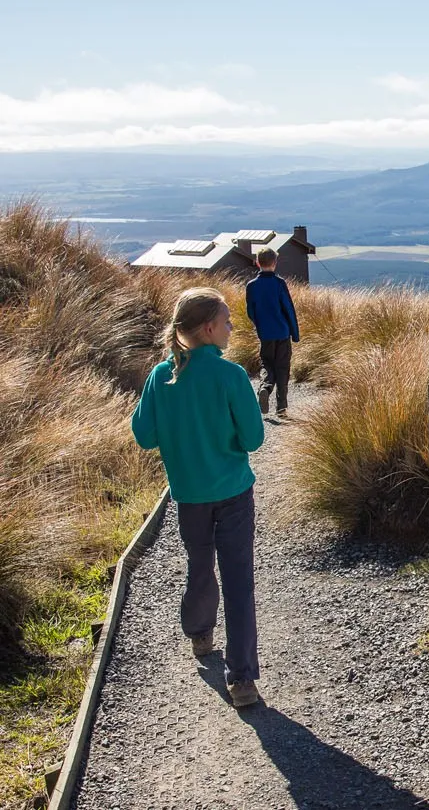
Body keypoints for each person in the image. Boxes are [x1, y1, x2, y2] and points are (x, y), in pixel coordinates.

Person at [131, 287, 265, 708]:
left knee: (199, 564)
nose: (231, 327)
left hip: (188, 496)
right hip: (232, 492)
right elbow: (255, 438)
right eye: (227, 321)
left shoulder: (161, 375)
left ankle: (200, 634)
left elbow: (144, 435)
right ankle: (241, 680)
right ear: (208, 328)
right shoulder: (231, 375)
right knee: (239, 580)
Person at [245, 247, 300, 417]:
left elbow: (250, 312)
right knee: (282, 368)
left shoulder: (251, 286)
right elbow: (288, 309)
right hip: (282, 333)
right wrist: (295, 334)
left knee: (267, 364)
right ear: (275, 263)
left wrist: (259, 325)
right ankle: (281, 408)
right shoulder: (279, 283)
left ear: (257, 263)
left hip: (265, 334)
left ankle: (265, 388)